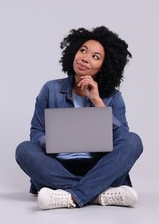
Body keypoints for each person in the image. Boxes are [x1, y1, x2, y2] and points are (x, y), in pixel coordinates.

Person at [15, 26, 143, 210]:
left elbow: (122, 139)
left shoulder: (113, 97)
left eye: (95, 57)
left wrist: (98, 102)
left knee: (134, 140)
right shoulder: (50, 89)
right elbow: (36, 133)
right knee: (24, 150)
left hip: (100, 166)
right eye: (83, 50)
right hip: (59, 164)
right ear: (74, 52)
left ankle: (68, 195)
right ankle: (100, 194)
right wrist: (55, 141)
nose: (85, 58)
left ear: (104, 66)